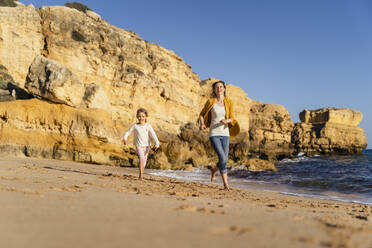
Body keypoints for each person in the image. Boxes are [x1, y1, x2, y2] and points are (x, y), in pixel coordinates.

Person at [198, 81, 240, 190]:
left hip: (225, 133)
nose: (219, 89)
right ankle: (226, 184)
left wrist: (227, 120)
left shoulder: (229, 102)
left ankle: (214, 170)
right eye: (217, 87)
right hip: (214, 133)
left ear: (224, 89)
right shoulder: (210, 102)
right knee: (222, 157)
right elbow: (202, 114)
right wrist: (202, 124)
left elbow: (233, 118)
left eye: (221, 87)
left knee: (224, 160)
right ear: (214, 90)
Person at [123, 108, 160, 180]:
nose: (141, 118)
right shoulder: (135, 126)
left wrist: (157, 143)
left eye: (143, 116)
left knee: (144, 162)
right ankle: (140, 176)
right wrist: (125, 138)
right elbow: (128, 132)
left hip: (147, 146)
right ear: (137, 116)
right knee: (141, 159)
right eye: (139, 116)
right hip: (139, 145)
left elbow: (153, 134)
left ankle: (141, 173)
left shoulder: (148, 126)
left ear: (146, 117)